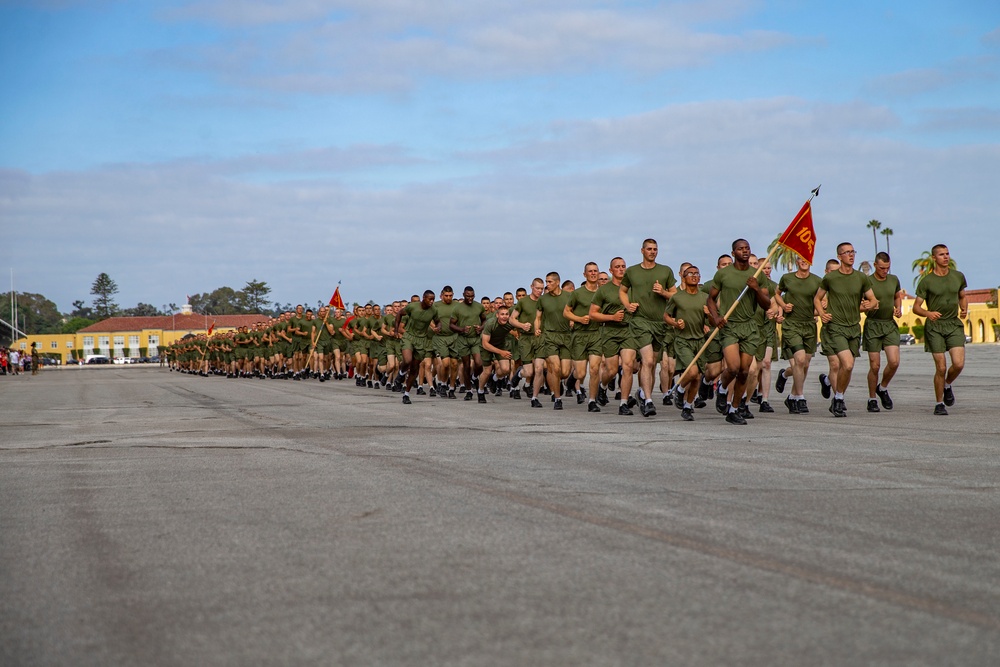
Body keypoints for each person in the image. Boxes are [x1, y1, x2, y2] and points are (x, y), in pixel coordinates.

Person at [706, 239, 773, 425]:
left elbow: (767, 303)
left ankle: (734, 409)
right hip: (729, 326)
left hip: (750, 327)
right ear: (733, 252)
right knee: (733, 368)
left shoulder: (757, 274)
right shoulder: (723, 274)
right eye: (740, 249)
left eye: (747, 248)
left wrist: (756, 288)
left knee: (744, 372)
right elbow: (710, 299)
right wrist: (716, 316)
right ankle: (721, 387)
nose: (744, 251)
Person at [813, 243, 879, 417]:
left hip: (854, 328)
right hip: (835, 327)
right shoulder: (831, 278)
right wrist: (821, 314)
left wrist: (868, 305)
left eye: (853, 252)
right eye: (847, 252)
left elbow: (873, 300)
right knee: (847, 364)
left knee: (848, 367)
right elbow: (817, 298)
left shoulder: (861, 278)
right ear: (839, 255)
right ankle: (839, 398)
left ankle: (838, 398)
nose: (851, 255)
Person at [619, 239, 676, 417]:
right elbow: (622, 290)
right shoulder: (632, 271)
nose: (652, 252)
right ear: (642, 250)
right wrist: (628, 305)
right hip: (639, 321)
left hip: (660, 323)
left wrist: (663, 292)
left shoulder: (665, 271)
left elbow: (675, 295)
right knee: (648, 360)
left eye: (655, 249)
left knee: (651, 366)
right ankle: (650, 401)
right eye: (649, 249)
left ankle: (643, 395)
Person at [912, 244, 968, 415]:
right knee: (941, 367)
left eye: (947, 254)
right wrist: (928, 313)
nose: (946, 257)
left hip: (953, 324)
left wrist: (964, 308)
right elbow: (916, 307)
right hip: (935, 327)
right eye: (942, 254)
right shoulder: (927, 281)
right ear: (934, 258)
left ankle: (947, 384)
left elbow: (962, 296)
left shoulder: (958, 276)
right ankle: (939, 403)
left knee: (958, 364)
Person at [773, 255, 823, 414]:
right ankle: (800, 397)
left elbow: (822, 299)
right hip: (792, 325)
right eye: (801, 259)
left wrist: (820, 310)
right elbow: (777, 294)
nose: (804, 261)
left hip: (809, 325)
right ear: (796, 262)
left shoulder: (817, 281)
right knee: (799, 360)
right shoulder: (787, 278)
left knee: (804, 364)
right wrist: (783, 305)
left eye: (806, 259)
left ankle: (791, 394)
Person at [664, 265, 710, 421]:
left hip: (700, 341)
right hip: (683, 340)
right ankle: (680, 389)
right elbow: (666, 316)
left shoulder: (704, 297)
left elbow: (712, 320)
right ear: (684, 277)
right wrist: (675, 323)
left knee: (697, 377)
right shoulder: (677, 297)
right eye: (691, 274)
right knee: (691, 372)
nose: (695, 276)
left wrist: (708, 316)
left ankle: (688, 406)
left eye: (697, 273)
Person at [862, 252, 904, 412]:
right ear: (875, 265)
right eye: (881, 268)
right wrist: (868, 306)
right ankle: (872, 398)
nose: (885, 271)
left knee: (894, 362)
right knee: (875, 365)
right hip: (873, 325)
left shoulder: (893, 280)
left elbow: (897, 296)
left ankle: (883, 387)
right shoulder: (867, 282)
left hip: (889, 324)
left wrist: (898, 308)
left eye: (887, 268)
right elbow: (860, 303)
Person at [589, 257, 629, 410]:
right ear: (611, 270)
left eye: (623, 266)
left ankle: (624, 403)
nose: (621, 269)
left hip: (629, 331)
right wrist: (612, 317)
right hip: (610, 331)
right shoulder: (604, 290)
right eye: (617, 267)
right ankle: (603, 385)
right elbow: (593, 314)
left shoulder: (631, 288)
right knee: (611, 370)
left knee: (627, 366)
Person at [564, 262, 603, 411]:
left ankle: (592, 401)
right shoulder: (577, 293)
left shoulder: (602, 292)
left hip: (596, 335)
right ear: (584, 274)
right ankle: (572, 379)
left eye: (595, 271)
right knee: (581, 372)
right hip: (580, 335)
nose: (593, 273)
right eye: (590, 271)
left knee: (594, 369)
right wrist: (579, 319)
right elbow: (566, 312)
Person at [535, 272, 572, 410]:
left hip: (566, 337)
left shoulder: (568, 297)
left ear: (557, 282)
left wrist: (574, 320)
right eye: (546, 281)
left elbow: (574, 312)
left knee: (565, 372)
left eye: (550, 282)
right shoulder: (543, 299)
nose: (547, 284)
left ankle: (557, 382)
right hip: (550, 336)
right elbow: (538, 317)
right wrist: (537, 328)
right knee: (555, 368)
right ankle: (557, 398)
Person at [394, 290, 437, 404]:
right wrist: (396, 330)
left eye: (433, 299)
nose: (432, 301)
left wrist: (438, 327)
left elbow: (438, 321)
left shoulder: (433, 310)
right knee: (407, 360)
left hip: (421, 340)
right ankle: (401, 374)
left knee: (414, 368)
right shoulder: (412, 307)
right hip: (409, 336)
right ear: (424, 298)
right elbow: (399, 314)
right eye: (429, 299)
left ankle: (406, 394)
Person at [511, 278, 544, 406]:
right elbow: (511, 319)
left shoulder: (544, 301)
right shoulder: (523, 302)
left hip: (539, 338)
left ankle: (534, 398)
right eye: (537, 288)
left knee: (539, 369)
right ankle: (519, 374)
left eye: (542, 288)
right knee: (528, 372)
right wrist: (521, 325)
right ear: (531, 287)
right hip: (525, 338)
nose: (540, 291)